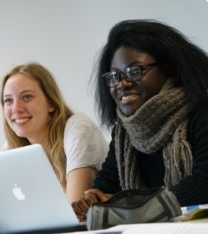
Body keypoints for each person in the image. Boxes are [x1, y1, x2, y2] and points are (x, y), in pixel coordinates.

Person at [72, 19, 208, 221]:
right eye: (115, 76)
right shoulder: (124, 133)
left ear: (168, 69)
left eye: (134, 71)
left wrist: (130, 205)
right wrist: (92, 200)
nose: (122, 84)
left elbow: (203, 184)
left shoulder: (201, 110)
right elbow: (105, 186)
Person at [0, 62, 108, 229]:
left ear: (51, 103)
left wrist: (17, 217)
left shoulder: (78, 127)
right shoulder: (11, 147)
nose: (16, 108)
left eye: (27, 97)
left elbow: (72, 214)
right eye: (8, 101)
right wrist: (37, 218)